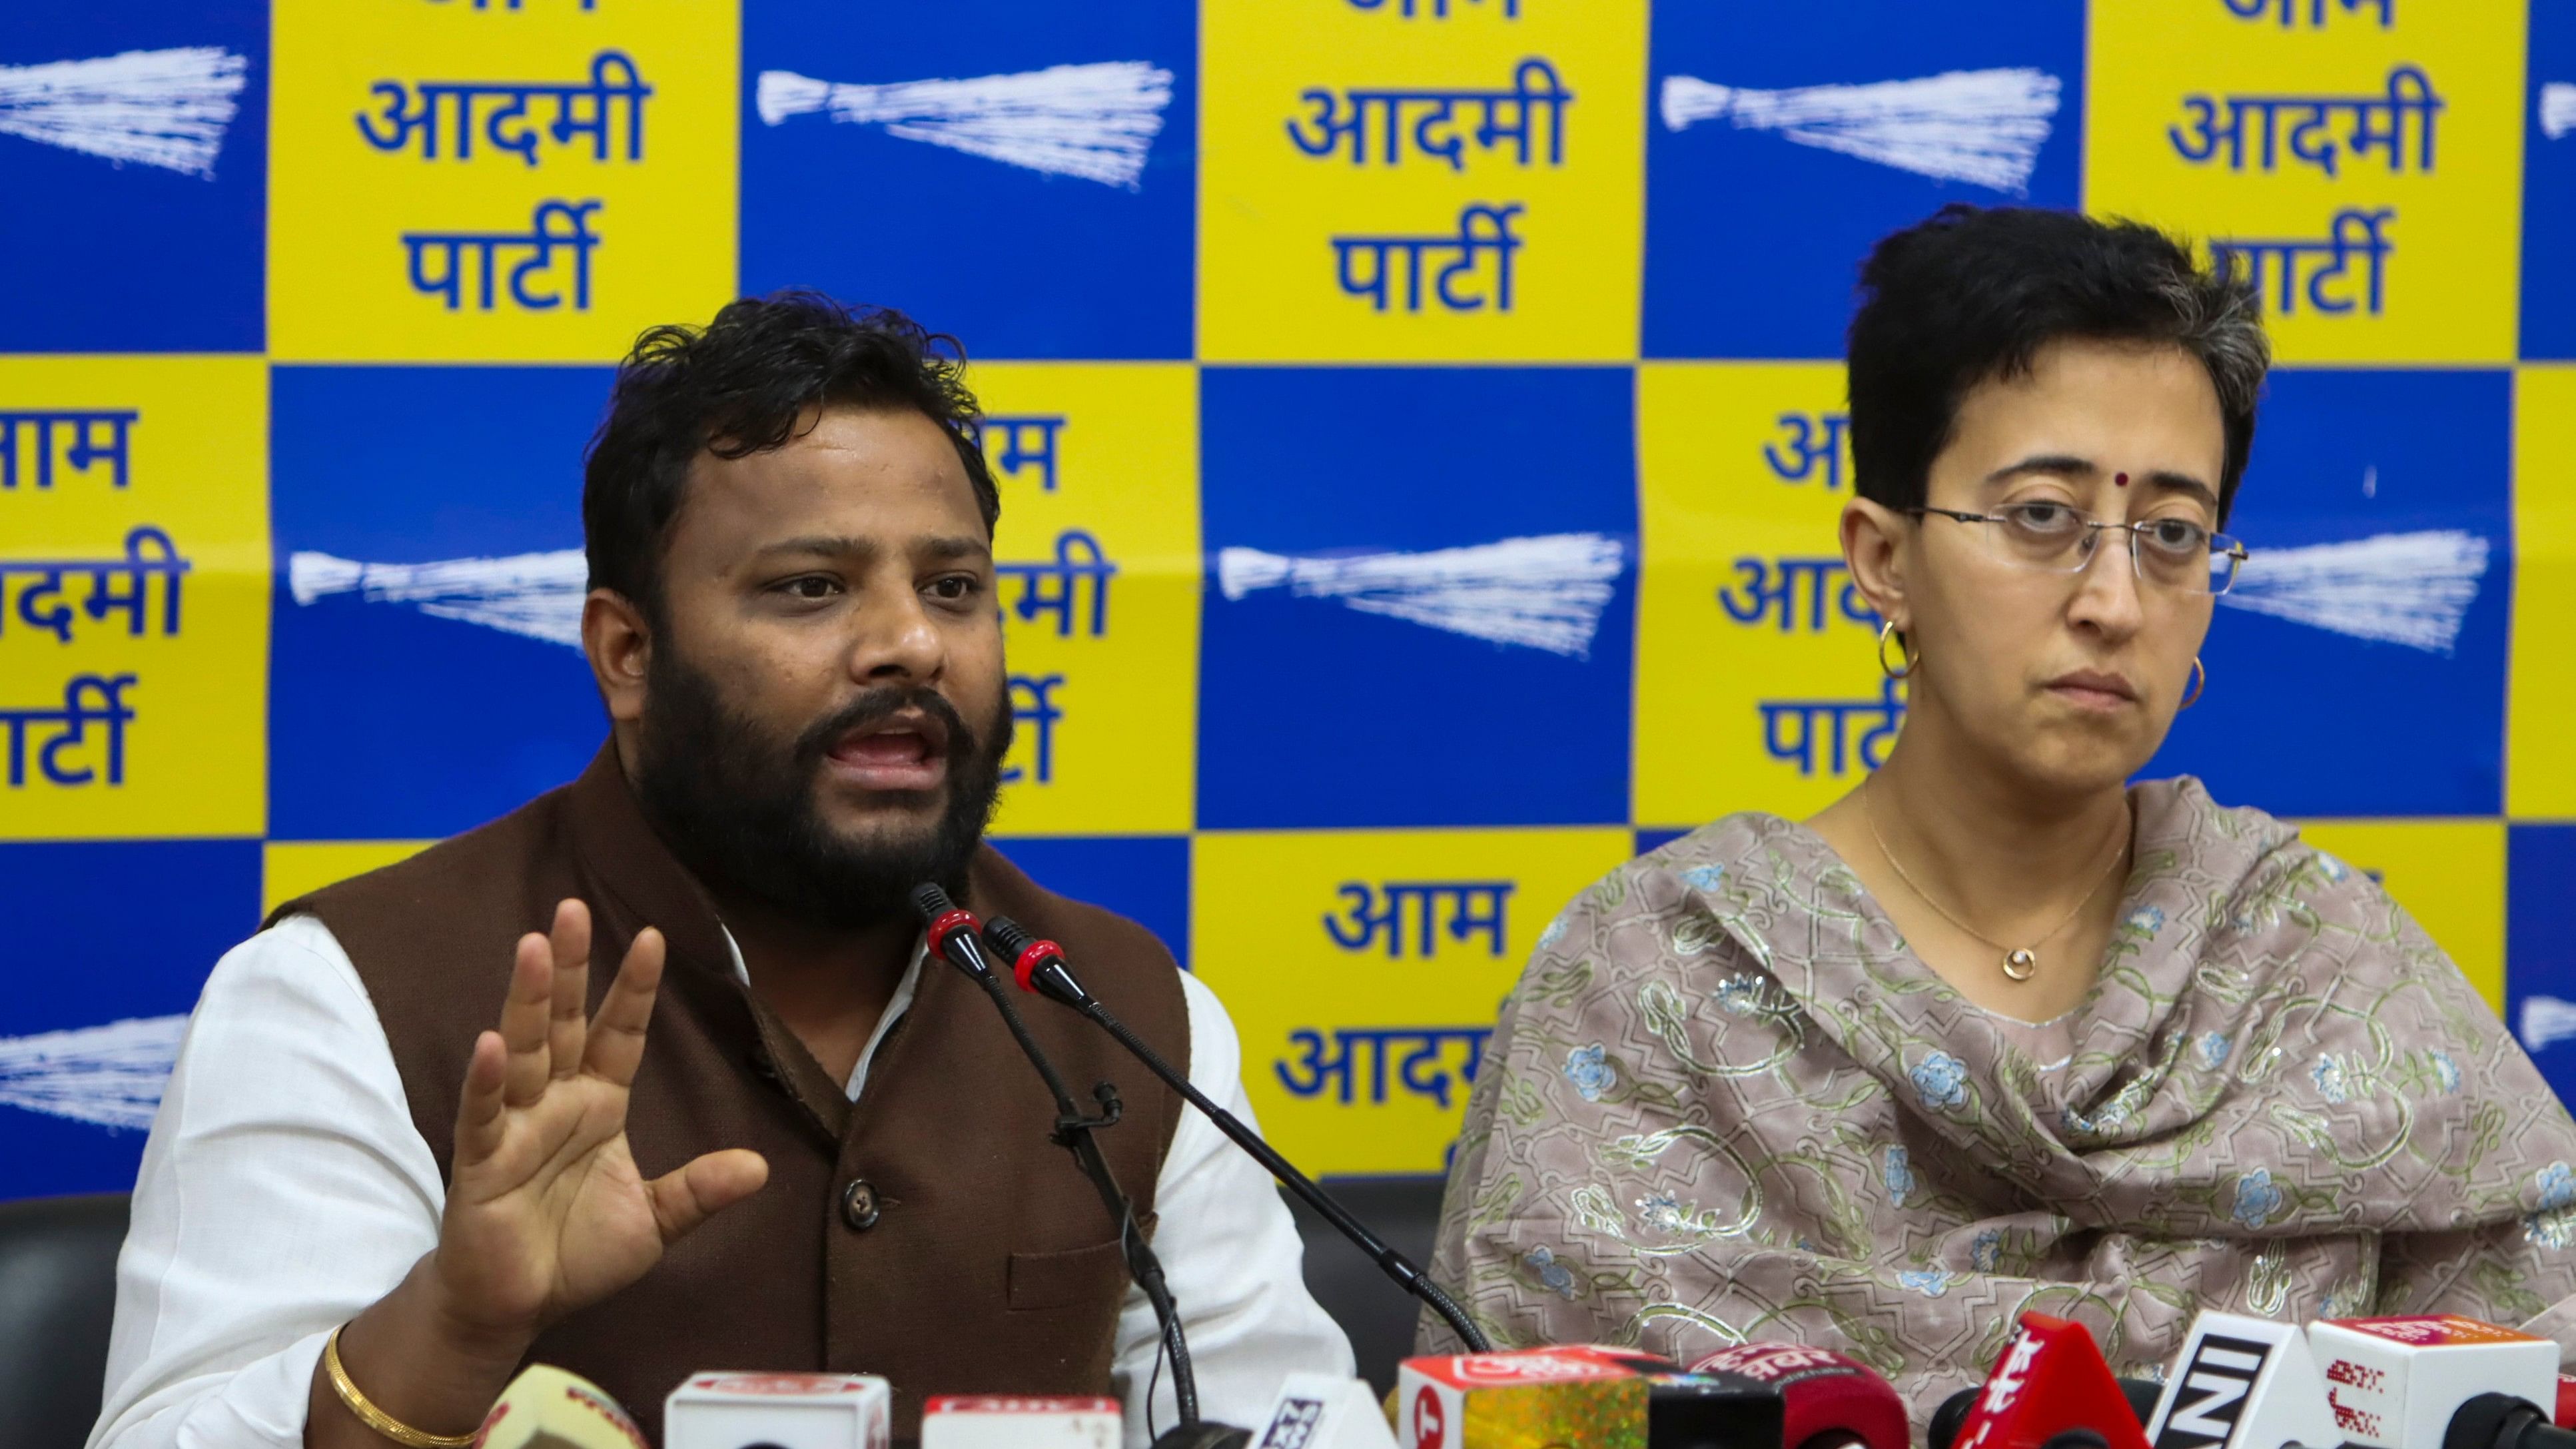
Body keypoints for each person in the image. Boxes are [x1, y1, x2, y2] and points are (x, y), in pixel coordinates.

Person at [91, 294, 1351, 1449]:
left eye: (953, 587)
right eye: (812, 589)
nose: (910, 643)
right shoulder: (344, 997)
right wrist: (453, 1328)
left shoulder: (1124, 1011)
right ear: (629, 652)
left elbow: (1291, 1421)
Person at [1416, 206, 2576, 1411]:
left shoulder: (2320, 968)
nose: (2116, 601)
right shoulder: (1661, 983)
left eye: (2173, 535)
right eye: (2041, 518)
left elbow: (2545, 1355)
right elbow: (1533, 1409)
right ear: (1882, 557)